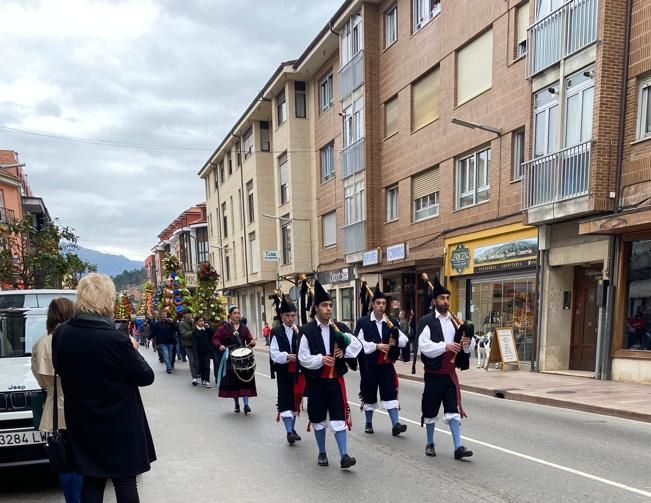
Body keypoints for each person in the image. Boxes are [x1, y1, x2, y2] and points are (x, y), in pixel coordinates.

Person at [52, 273, 156, 503]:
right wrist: (134, 348)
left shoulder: (62, 333)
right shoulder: (115, 339)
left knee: (92, 479)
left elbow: (59, 369)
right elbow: (145, 377)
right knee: (125, 480)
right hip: (120, 422)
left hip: (82, 420)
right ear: (107, 299)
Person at [298, 280, 362, 469]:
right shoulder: (306, 330)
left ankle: (344, 456)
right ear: (316, 308)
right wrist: (320, 359)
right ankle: (322, 452)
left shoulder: (339, 327)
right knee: (318, 419)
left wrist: (344, 352)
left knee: (338, 418)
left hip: (335, 382)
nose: (328, 309)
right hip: (316, 382)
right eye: (325, 305)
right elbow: (303, 357)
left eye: (331, 305)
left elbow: (356, 346)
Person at [416, 275, 474, 460]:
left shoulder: (455, 321)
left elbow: (468, 347)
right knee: (431, 409)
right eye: (442, 298)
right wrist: (444, 346)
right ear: (434, 301)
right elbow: (423, 346)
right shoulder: (427, 321)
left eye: (447, 298)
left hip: (449, 374)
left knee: (453, 409)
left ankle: (458, 447)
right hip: (433, 374)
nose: (445, 301)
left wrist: (467, 342)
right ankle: (430, 443)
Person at [31, 298, 82, 503]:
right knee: (81, 462)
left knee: (64, 460)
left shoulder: (40, 344)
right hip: (80, 408)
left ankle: (71, 500)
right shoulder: (78, 340)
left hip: (54, 410)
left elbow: (41, 381)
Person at [354, 283, 408, 436]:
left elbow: (404, 340)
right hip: (369, 366)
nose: (381, 306)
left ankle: (396, 424)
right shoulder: (363, 322)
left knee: (390, 393)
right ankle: (368, 423)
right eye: (378, 303)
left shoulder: (392, 322)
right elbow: (357, 343)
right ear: (372, 304)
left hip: (386, 366)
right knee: (369, 394)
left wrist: (395, 341)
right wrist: (376, 346)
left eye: (383, 303)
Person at [269, 297, 304, 444]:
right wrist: (286, 356)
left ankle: (292, 428)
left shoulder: (301, 331)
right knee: (285, 400)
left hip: (297, 372)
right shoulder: (276, 332)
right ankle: (289, 431)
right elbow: (274, 352)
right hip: (284, 372)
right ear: (282, 316)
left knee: (295, 400)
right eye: (287, 316)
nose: (291, 319)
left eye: (293, 315)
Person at [212, 306, 257, 414]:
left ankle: (246, 405)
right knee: (234, 382)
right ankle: (237, 403)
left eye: (238, 313)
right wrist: (220, 346)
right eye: (235, 313)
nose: (237, 315)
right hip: (231, 356)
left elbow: (249, 339)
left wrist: (252, 342)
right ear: (230, 315)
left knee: (245, 380)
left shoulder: (244, 328)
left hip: (243, 356)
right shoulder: (225, 328)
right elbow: (215, 338)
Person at [193, 315, 214, 388]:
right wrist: (195, 352)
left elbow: (213, 334)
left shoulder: (206, 329)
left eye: (202, 321)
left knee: (207, 366)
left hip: (207, 351)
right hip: (199, 352)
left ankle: (207, 381)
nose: (202, 322)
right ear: (196, 322)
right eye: (200, 321)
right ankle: (203, 379)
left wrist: (208, 328)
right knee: (201, 366)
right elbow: (194, 343)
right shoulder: (195, 331)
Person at [179, 313, 199, 385]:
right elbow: (184, 334)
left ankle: (197, 373)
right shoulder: (182, 323)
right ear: (185, 316)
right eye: (188, 316)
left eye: (190, 315)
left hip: (196, 345)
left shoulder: (193, 323)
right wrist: (194, 332)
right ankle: (194, 377)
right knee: (192, 361)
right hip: (188, 345)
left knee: (197, 361)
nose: (190, 317)